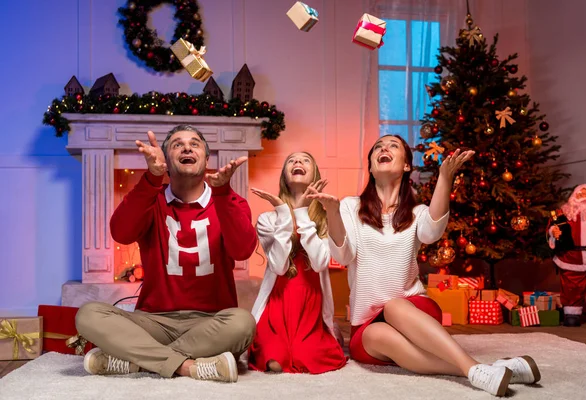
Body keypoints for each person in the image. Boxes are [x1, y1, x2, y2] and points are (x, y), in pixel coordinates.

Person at [307, 135, 540, 396]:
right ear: (371, 168)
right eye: (378, 148)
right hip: (367, 323)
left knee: (394, 306)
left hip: (414, 308)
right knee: (375, 335)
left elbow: (433, 233)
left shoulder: (417, 213)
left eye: (393, 145)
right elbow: (344, 254)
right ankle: (483, 369)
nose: (384, 148)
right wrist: (332, 214)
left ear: (407, 165)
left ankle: (475, 370)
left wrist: (445, 177)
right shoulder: (350, 206)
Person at [75, 125, 257, 383]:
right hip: (153, 322)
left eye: (195, 144)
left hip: (212, 322)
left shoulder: (230, 201)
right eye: (177, 144)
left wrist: (223, 193)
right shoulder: (150, 197)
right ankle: (188, 367)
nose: (186, 147)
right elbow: (121, 233)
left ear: (206, 159)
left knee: (243, 323)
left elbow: (243, 250)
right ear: (166, 161)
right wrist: (151, 177)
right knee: (88, 314)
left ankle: (136, 361)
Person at [246, 152, 346, 374]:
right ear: (284, 175)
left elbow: (320, 263)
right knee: (273, 360)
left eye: (305, 160)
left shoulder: (326, 216)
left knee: (307, 358)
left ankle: (328, 334)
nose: (297, 162)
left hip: (310, 304)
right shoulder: (267, 220)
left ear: (314, 174)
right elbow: (280, 266)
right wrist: (283, 212)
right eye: (291, 160)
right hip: (277, 303)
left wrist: (302, 212)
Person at [548, 183, 586, 326]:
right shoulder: (565, 213)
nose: (584, 197)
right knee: (572, 285)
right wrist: (554, 231)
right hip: (573, 256)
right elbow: (553, 225)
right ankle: (572, 314)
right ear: (573, 197)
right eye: (580, 194)